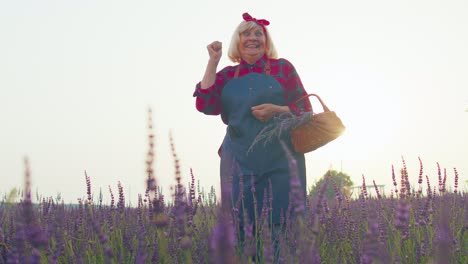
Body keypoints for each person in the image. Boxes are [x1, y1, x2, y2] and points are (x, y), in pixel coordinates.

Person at [193, 11, 312, 259]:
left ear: (266, 42)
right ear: (237, 41)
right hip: (238, 161)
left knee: (281, 226)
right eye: (246, 33)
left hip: (280, 160)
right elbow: (206, 104)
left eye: (258, 33)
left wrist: (278, 110)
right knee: (242, 227)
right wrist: (213, 62)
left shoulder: (283, 68)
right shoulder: (226, 75)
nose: (252, 38)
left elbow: (305, 110)